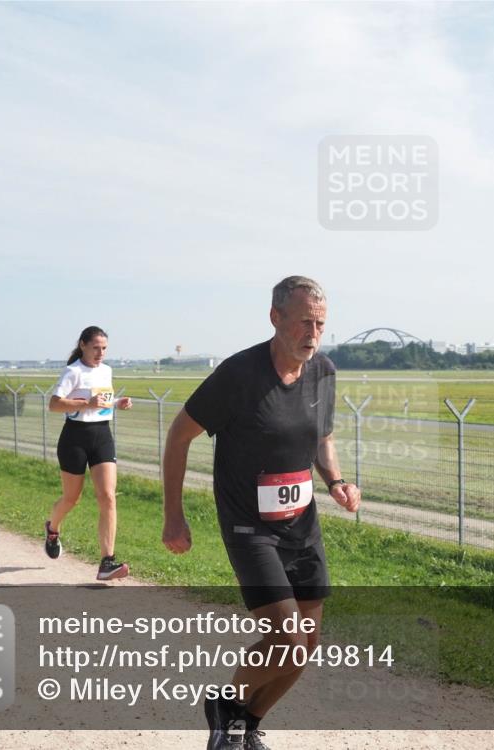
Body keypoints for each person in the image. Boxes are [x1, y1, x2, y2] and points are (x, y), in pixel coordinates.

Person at [162, 276, 360, 750]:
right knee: (289, 640)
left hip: (302, 526)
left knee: (306, 647)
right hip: (250, 528)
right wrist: (174, 515)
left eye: (320, 324)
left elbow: (322, 439)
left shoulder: (323, 372)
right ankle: (225, 705)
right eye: (303, 323)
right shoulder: (238, 375)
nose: (312, 334)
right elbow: (178, 436)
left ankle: (245, 724)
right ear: (276, 319)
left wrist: (335, 480)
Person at [44, 325, 133, 581]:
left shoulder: (107, 371)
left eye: (104, 348)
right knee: (71, 499)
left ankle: (107, 562)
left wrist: (119, 403)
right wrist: (85, 404)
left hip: (102, 436)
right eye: (96, 347)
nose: (100, 353)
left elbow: (102, 403)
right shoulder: (73, 372)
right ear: (83, 345)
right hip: (75, 438)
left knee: (108, 497)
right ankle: (52, 529)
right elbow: (54, 404)